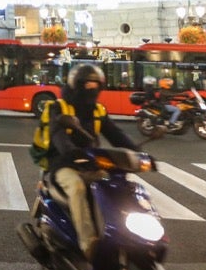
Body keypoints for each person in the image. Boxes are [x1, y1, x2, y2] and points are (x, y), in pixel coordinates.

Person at [41, 64, 140, 256]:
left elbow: (115, 134)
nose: (92, 89)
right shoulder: (59, 107)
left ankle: (115, 234)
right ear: (76, 85)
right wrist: (73, 153)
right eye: (87, 84)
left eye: (96, 84)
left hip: (92, 162)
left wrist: (137, 152)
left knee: (114, 185)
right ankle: (88, 244)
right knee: (78, 188)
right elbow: (58, 136)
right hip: (63, 164)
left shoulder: (98, 110)